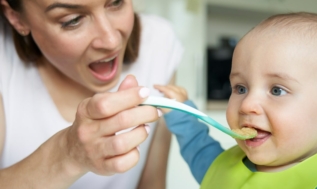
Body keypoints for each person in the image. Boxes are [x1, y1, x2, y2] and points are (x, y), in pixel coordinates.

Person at [155, 12, 317, 188]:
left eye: (277, 90)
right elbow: (197, 147)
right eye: (240, 88)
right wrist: (180, 112)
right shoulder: (219, 166)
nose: (246, 105)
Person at [0, 0, 183, 188]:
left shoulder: (159, 44)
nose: (111, 41)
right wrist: (67, 155)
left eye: (117, 2)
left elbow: (153, 184)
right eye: (73, 20)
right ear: (16, 17)